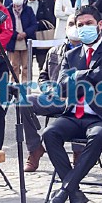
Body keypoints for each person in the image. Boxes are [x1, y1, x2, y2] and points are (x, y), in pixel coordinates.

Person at [43, 6, 102, 203]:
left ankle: (64, 191)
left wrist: (77, 76)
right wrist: (89, 75)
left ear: (99, 25)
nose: (84, 28)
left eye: (89, 23)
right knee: (49, 133)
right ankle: (75, 193)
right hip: (74, 114)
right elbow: (61, 85)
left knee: (97, 137)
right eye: (80, 25)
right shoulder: (71, 55)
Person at [23, 14, 82, 172]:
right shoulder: (54, 51)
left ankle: (79, 152)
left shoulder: (90, 53)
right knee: (24, 101)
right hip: (54, 98)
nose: (75, 27)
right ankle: (35, 149)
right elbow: (43, 77)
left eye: (78, 24)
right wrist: (50, 90)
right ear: (65, 28)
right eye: (71, 24)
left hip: (78, 100)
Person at [7, 0, 38, 83]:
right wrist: (15, 35)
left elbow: (34, 24)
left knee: (26, 65)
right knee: (14, 66)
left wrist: (25, 33)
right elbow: (6, 26)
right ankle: (14, 85)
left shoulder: (28, 9)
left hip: (26, 41)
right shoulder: (8, 10)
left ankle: (26, 85)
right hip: (13, 41)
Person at [26, 0, 55, 70]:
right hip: (27, 35)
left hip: (41, 35)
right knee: (27, 64)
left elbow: (49, 18)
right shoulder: (23, 5)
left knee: (42, 63)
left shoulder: (43, 4)